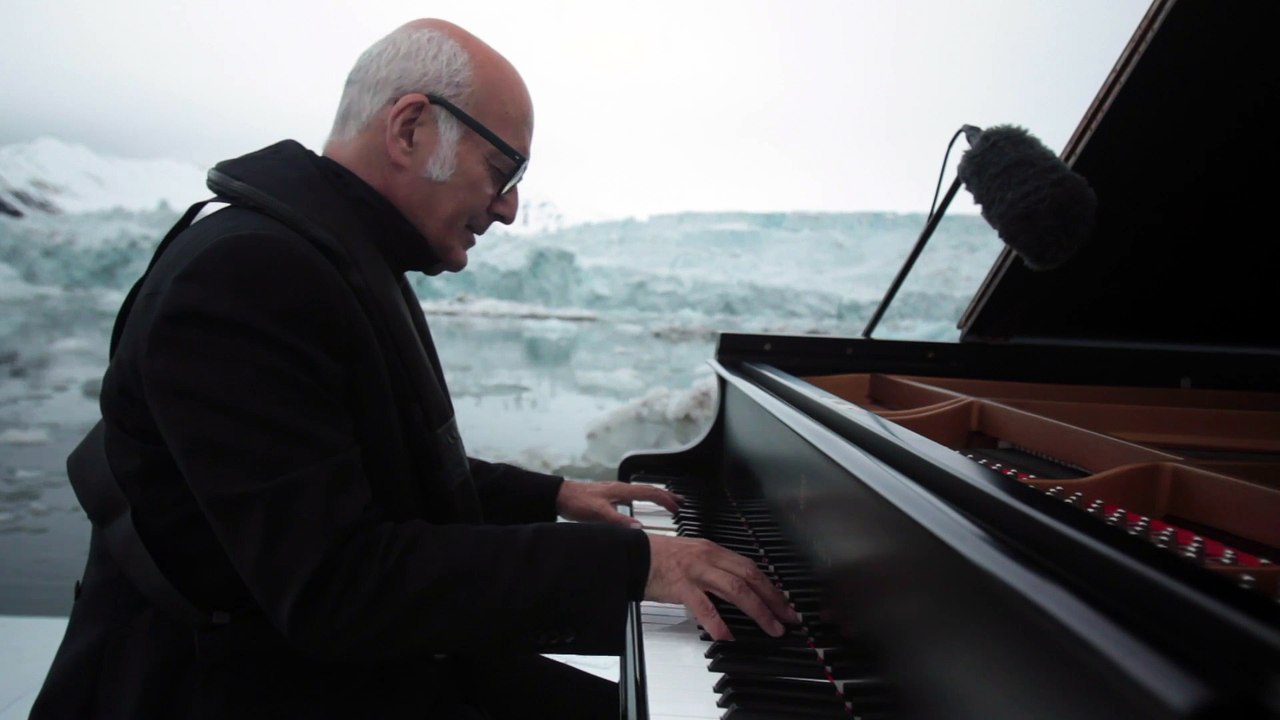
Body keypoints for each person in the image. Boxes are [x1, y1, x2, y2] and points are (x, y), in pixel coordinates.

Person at [31, 18, 798, 720]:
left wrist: (553, 495)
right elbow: (338, 584)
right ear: (408, 127)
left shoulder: (329, 254)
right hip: (221, 688)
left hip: (316, 657)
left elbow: (360, 467)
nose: (508, 209)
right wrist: (636, 563)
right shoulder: (247, 276)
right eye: (503, 170)